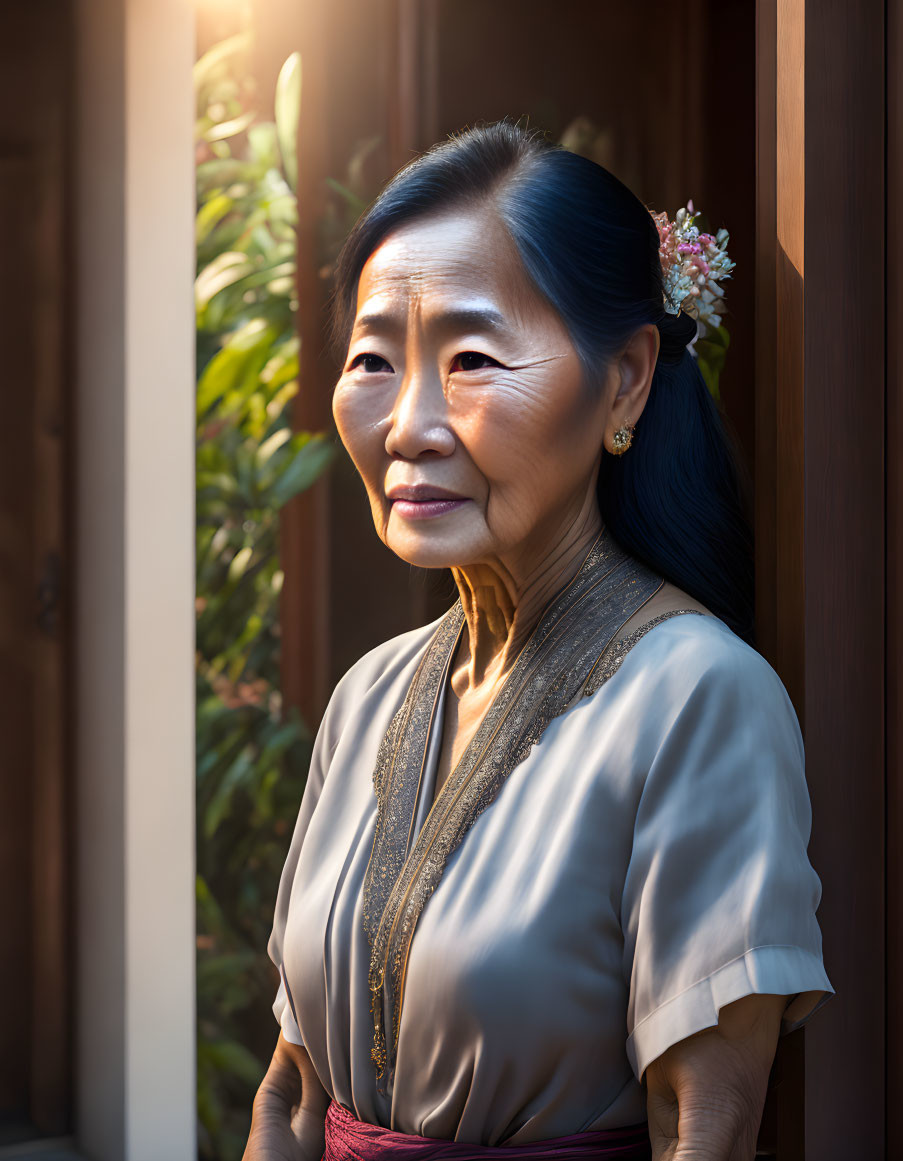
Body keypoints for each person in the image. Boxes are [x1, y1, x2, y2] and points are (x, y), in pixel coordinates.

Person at [243, 121, 833, 1161]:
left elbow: (705, 1126)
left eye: (471, 357)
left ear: (628, 379)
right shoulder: (368, 695)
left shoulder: (699, 700)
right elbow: (292, 1101)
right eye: (373, 358)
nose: (408, 425)